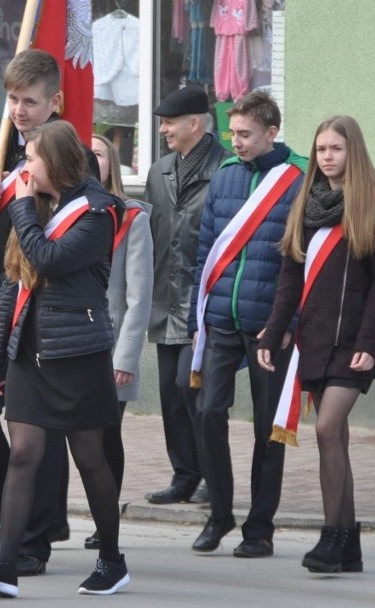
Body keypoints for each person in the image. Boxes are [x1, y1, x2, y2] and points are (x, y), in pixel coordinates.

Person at [0, 121, 129, 597]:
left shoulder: (98, 213)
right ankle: (5, 563)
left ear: (54, 164)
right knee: (23, 454)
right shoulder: (37, 207)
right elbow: (16, 280)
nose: (23, 167)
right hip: (29, 354)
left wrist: (18, 209)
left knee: (90, 459)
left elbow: (49, 258)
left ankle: (112, 560)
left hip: (78, 354)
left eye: (30, 159)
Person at [0, 48, 100, 576]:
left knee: (37, 424)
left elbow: (65, 243)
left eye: (30, 101)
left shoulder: (68, 154)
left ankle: (32, 539)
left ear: (54, 102)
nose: (19, 110)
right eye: (12, 99)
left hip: (40, 305)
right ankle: (11, 520)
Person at [258, 115, 375, 573]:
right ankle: (348, 544)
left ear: (351, 152)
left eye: (336, 148)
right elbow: (289, 275)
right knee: (334, 439)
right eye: (321, 150)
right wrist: (274, 327)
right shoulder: (307, 204)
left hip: (353, 345)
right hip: (313, 341)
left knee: (324, 428)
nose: (328, 157)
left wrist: (371, 342)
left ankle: (331, 536)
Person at [187, 90, 306, 558]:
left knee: (266, 427)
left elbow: (300, 261)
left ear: (271, 132)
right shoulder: (225, 177)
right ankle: (219, 514)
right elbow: (206, 250)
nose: (235, 142)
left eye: (245, 134)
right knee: (207, 411)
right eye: (231, 133)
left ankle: (260, 528)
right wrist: (200, 314)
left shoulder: (297, 180)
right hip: (220, 319)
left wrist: (289, 323)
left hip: (269, 326)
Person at [144, 85, 232, 505]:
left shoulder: (226, 170)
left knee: (192, 387)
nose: (163, 131)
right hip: (165, 301)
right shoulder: (159, 172)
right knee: (169, 393)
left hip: (205, 303)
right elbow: (151, 238)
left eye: (169, 123)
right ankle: (184, 475)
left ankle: (212, 479)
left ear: (194, 124)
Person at [82, 133, 153, 550]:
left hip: (111, 348)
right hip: (72, 344)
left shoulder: (132, 218)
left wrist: (125, 356)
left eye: (98, 153)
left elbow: (137, 296)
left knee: (106, 436)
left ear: (113, 164)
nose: (91, 160)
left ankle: (104, 523)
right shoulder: (69, 213)